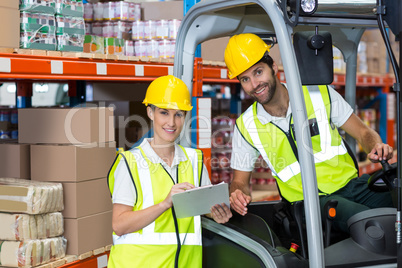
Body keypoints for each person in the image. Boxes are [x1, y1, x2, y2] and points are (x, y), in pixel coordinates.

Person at [225, 33, 394, 234]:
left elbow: (364, 132)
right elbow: (239, 181)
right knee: (367, 221)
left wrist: (375, 145)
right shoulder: (246, 125)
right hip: (308, 204)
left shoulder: (319, 94)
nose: (254, 84)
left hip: (352, 187)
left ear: (274, 68)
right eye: (245, 79)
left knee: (395, 199)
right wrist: (237, 194)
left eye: (258, 72)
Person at [107, 75, 232, 268]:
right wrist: (164, 204)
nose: (171, 123)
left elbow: (205, 208)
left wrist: (217, 213)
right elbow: (119, 225)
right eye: (164, 113)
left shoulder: (195, 160)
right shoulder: (130, 163)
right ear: (150, 113)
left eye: (178, 114)